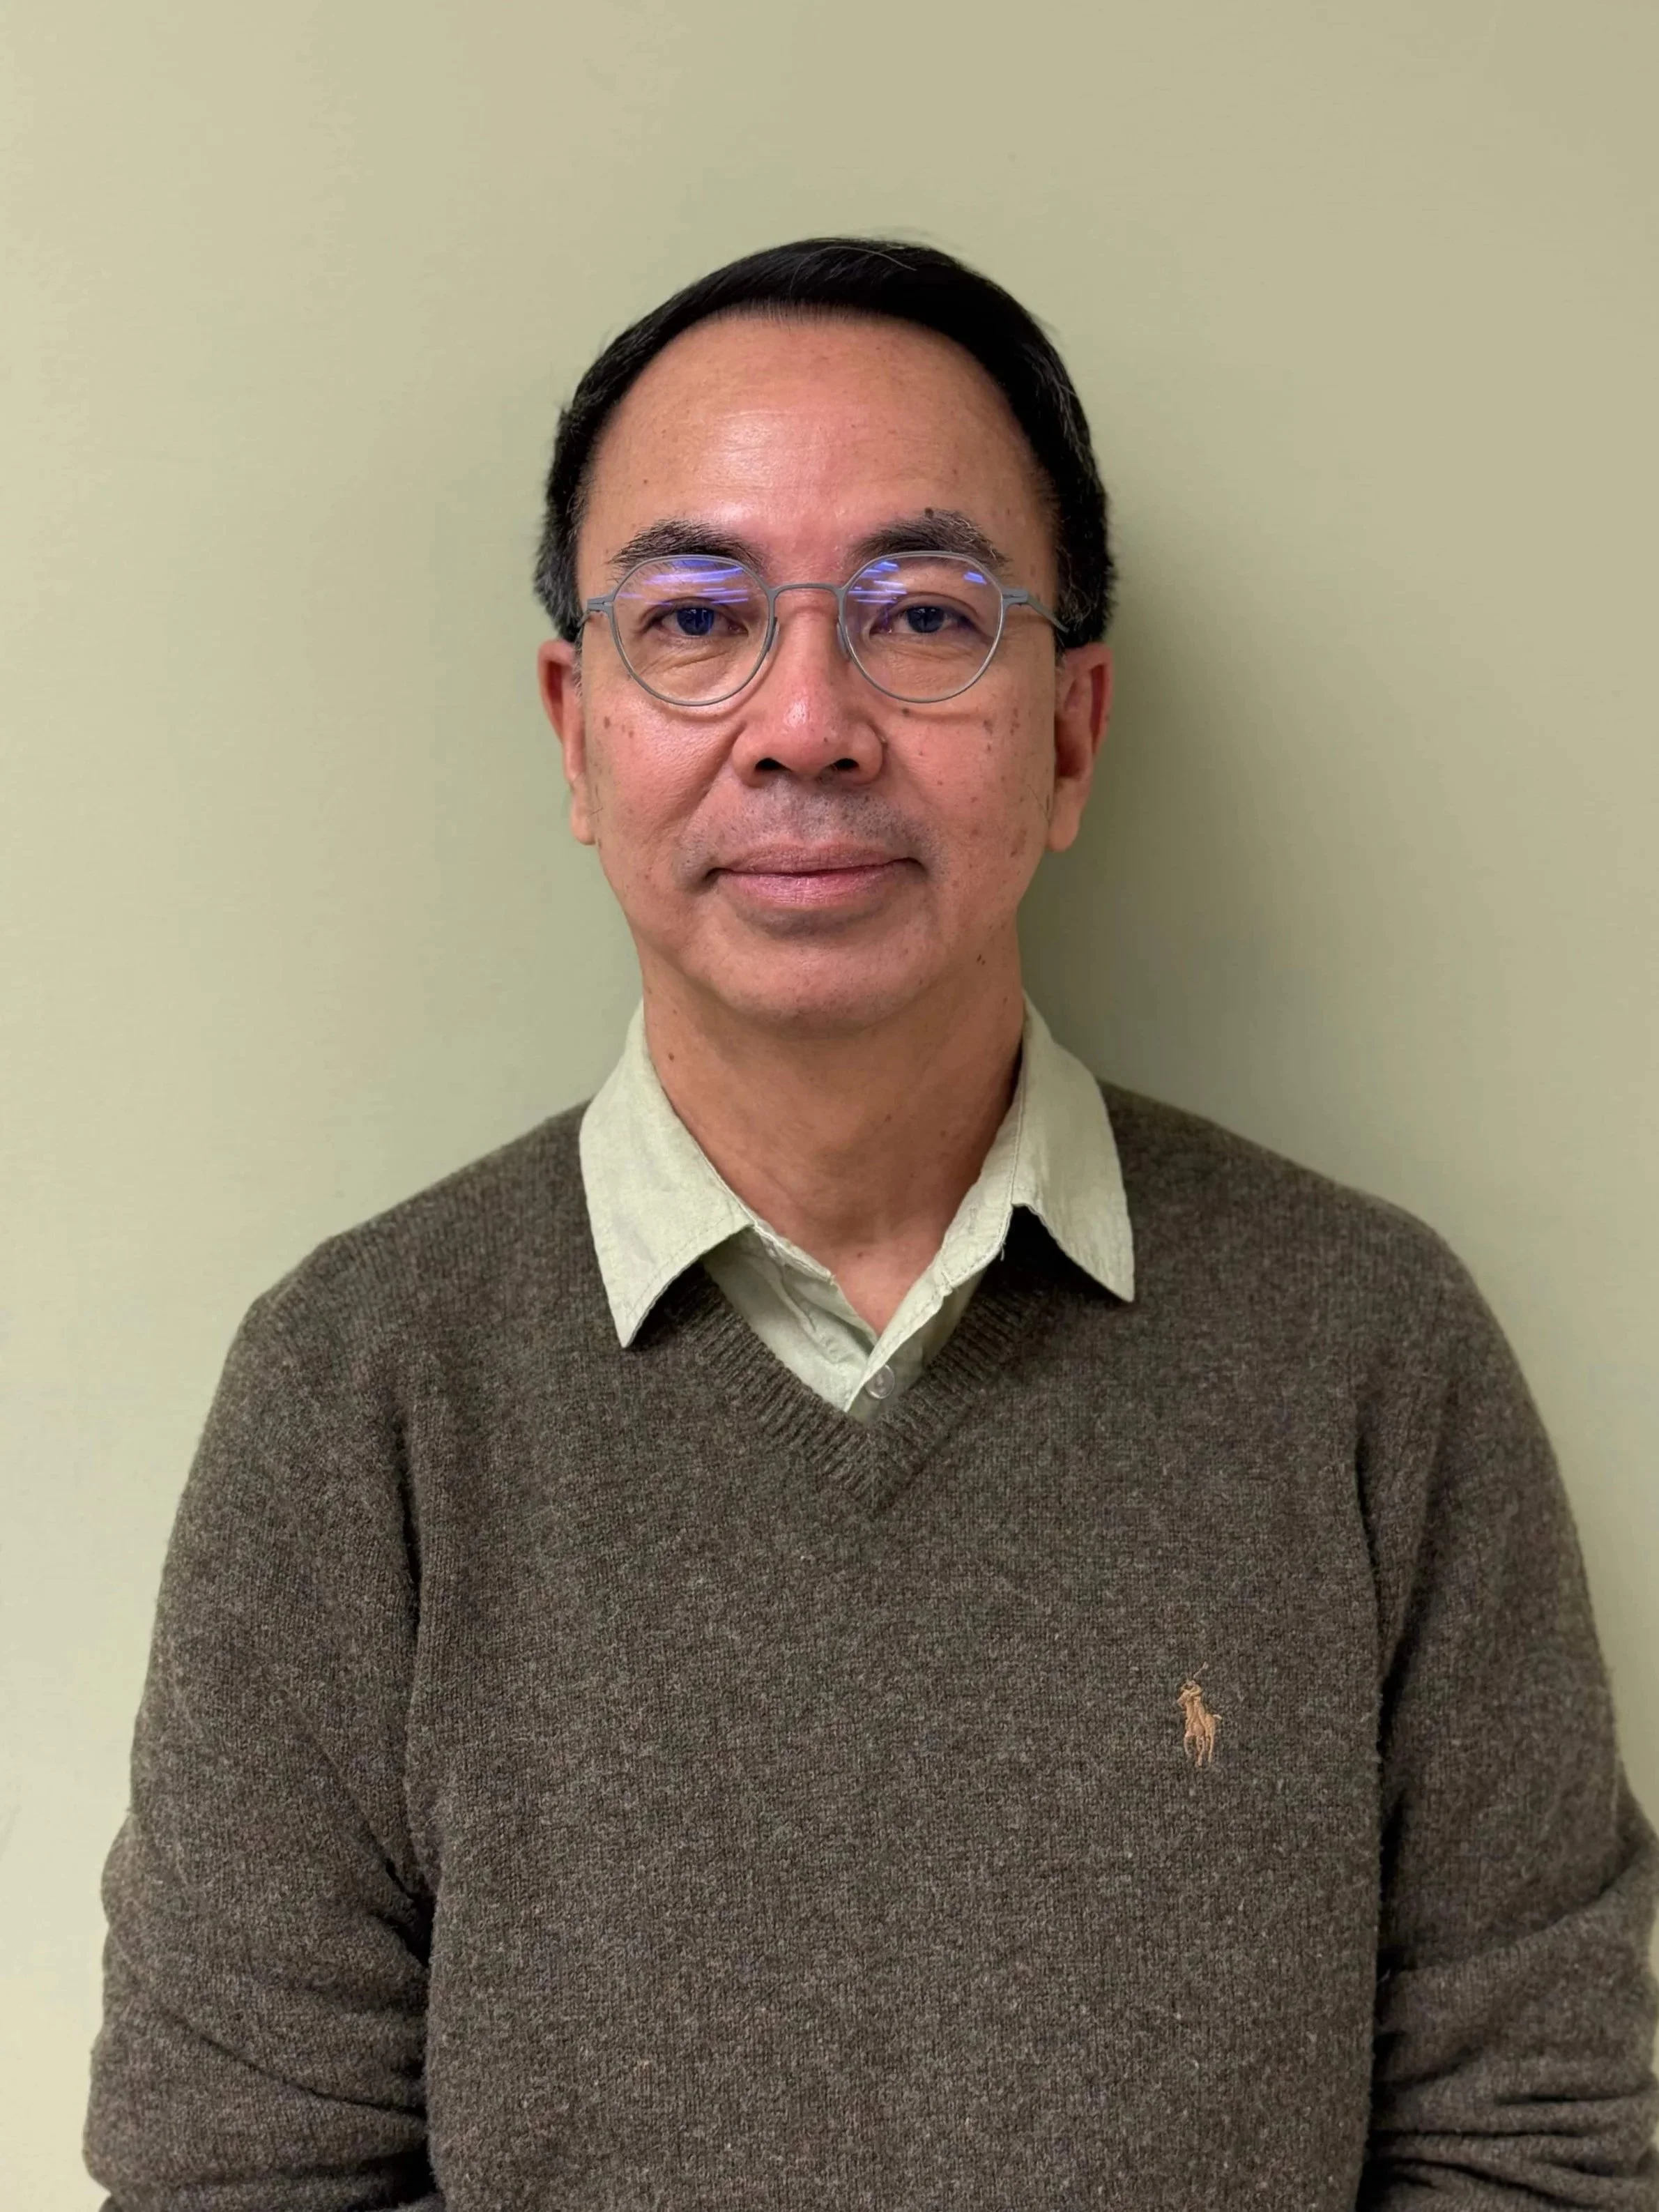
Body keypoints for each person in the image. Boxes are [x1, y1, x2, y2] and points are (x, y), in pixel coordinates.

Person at [84, 237, 1658, 2209]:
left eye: (922, 613)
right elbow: (239, 2167)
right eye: (694, 616)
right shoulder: (356, 1391)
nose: (806, 720)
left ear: (1072, 728)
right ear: (578, 724)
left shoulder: (1367, 1351)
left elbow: (1529, 2136)